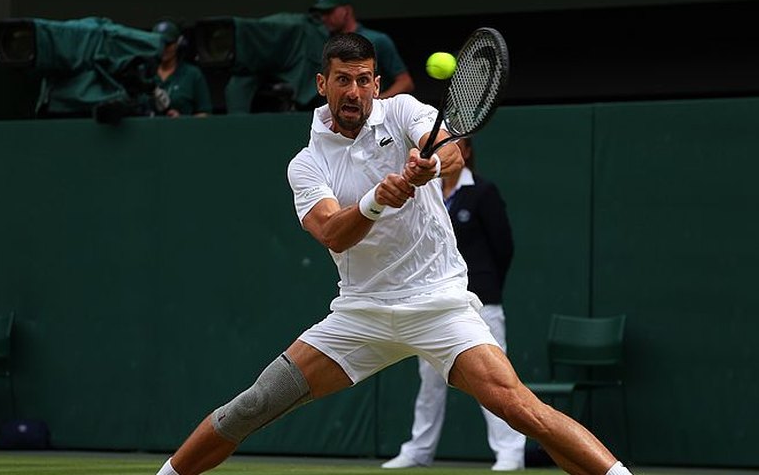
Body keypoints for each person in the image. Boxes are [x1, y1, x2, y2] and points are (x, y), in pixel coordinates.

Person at [153, 33, 633, 475]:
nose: (354, 91)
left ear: (376, 84)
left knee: (521, 408)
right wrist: (377, 199)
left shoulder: (402, 111)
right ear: (323, 84)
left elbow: (451, 154)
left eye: (364, 80)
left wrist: (428, 161)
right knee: (255, 404)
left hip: (437, 303)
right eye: (343, 80)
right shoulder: (307, 164)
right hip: (361, 312)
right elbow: (333, 232)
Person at [381, 138, 526, 471]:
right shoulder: (425, 193)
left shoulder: (483, 192)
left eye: (453, 144)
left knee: (497, 381)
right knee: (430, 381)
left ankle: (510, 453)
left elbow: (504, 247)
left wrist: (486, 286)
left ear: (467, 151)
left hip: (480, 301)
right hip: (435, 303)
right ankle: (419, 450)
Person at [310, 0, 414, 99]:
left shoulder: (377, 40)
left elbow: (405, 82)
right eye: (322, 14)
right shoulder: (325, 43)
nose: (324, 18)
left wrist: (376, 103)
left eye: (329, 12)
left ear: (346, 11)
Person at [151, 19, 213, 117]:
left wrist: (183, 120)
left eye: (168, 44)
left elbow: (205, 113)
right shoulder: (144, 73)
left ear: (177, 44)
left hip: (183, 131)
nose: (163, 48)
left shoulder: (192, 74)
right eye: (159, 43)